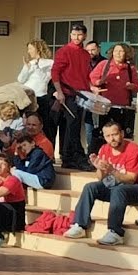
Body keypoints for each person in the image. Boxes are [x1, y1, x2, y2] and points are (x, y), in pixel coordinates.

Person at [63, 120, 138, 246]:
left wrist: (112, 170)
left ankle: (115, 232)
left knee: (119, 190)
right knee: (90, 187)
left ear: (122, 133)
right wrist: (100, 168)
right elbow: (100, 178)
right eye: (108, 136)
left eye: (115, 134)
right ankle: (80, 225)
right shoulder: (104, 149)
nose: (112, 139)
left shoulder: (134, 150)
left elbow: (131, 179)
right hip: (117, 186)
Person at [51, 24, 94, 171]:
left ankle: (68, 158)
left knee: (73, 126)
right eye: (74, 34)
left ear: (85, 36)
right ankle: (76, 157)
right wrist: (60, 92)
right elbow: (55, 73)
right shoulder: (64, 51)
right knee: (72, 126)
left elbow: (86, 75)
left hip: (82, 94)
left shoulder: (86, 54)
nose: (76, 37)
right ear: (70, 35)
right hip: (68, 93)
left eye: (80, 35)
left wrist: (92, 88)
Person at [89, 43, 138, 146]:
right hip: (104, 106)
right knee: (102, 134)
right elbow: (91, 78)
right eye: (116, 51)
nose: (118, 53)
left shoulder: (131, 68)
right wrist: (97, 83)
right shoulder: (104, 64)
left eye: (121, 51)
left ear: (126, 53)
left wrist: (132, 86)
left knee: (120, 135)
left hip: (122, 107)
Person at [18, 39, 56, 143]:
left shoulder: (49, 63)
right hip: (27, 97)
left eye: (30, 48)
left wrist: (37, 65)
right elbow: (20, 79)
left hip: (40, 97)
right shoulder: (30, 63)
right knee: (26, 123)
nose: (29, 51)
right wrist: (27, 67)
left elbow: (48, 76)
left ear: (38, 49)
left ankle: (47, 147)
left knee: (43, 124)